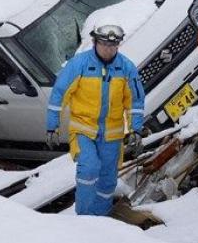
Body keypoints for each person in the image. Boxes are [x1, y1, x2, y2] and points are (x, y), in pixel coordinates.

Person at [45, 22, 145, 216]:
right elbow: (59, 94)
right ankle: (83, 218)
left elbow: (135, 102)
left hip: (112, 136)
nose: (108, 49)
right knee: (89, 169)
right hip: (84, 131)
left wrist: (136, 129)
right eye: (104, 44)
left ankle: (101, 220)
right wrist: (52, 126)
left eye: (113, 45)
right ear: (95, 42)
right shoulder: (79, 64)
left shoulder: (126, 68)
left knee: (107, 181)